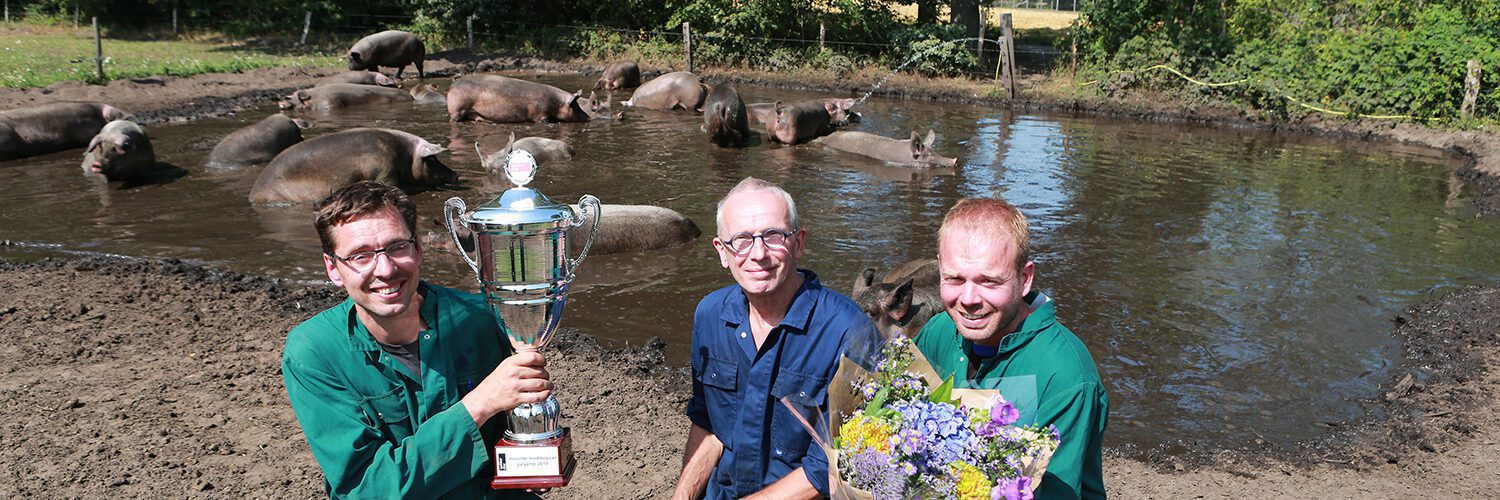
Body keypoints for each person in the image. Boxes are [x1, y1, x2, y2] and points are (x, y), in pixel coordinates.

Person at [281, 181, 551, 498]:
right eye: (360, 256)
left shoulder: (483, 317)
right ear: (334, 269)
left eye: (397, 247)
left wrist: (535, 453)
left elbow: (510, 444)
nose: (384, 269)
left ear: (419, 250)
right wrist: (477, 406)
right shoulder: (315, 352)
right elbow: (367, 490)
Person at [673, 177, 873, 499]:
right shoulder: (709, 315)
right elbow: (709, 424)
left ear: (798, 242)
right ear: (722, 252)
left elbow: (832, 466)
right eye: (741, 240)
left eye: (773, 236)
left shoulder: (849, 331)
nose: (758, 254)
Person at [914, 197, 1109, 500]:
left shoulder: (1065, 375)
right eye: (954, 278)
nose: (968, 299)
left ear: (1024, 278)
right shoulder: (938, 331)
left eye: (988, 281)